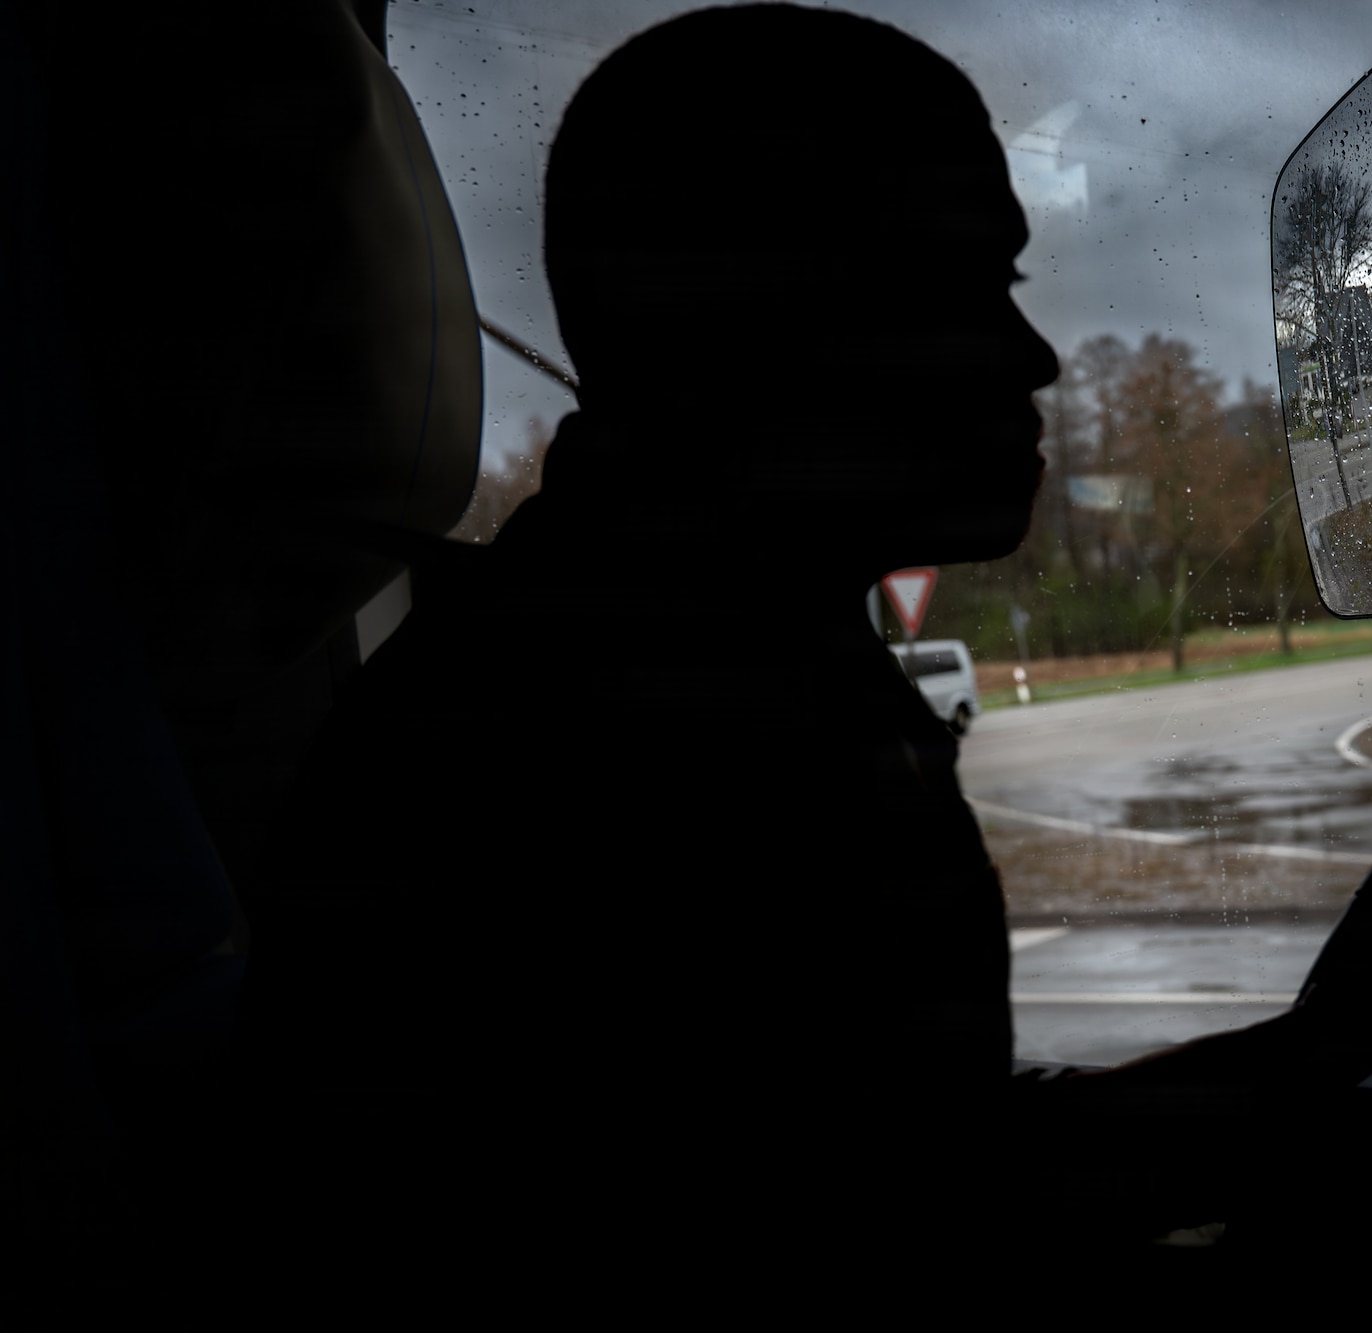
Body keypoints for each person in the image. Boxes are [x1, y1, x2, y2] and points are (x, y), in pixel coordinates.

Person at [240, 3, 1066, 1294]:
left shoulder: (636, 656)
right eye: (964, 285)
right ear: (768, 319)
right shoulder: (621, 743)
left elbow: (881, 1163)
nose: (1036, 356)